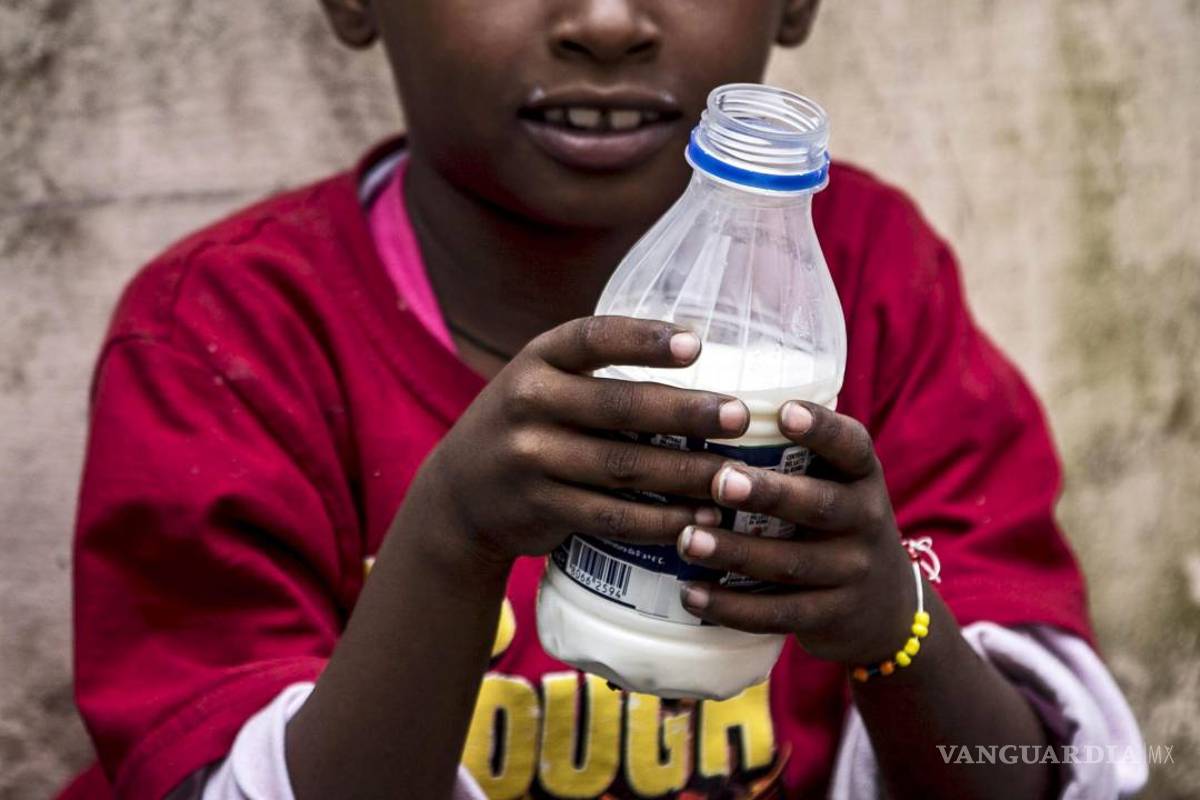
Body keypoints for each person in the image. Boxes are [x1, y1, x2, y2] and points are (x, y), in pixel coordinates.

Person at [61, 1, 1147, 798]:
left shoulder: (874, 286)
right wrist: (452, 535)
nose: (608, 23)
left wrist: (894, 628)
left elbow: (1030, 770)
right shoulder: (225, 333)